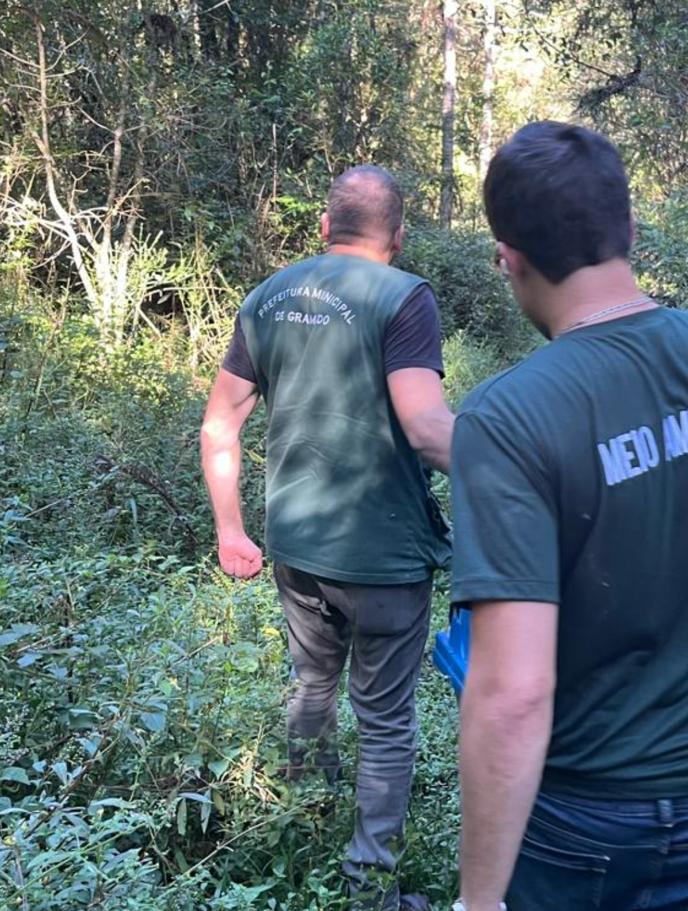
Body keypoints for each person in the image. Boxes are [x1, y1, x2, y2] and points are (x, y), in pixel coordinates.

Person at [450, 121, 688, 911]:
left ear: (508, 259)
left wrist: (478, 901)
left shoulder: (508, 419)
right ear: (630, 227)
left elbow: (513, 692)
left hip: (585, 824)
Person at [200, 165, 454, 911]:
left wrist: (229, 529)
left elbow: (220, 422)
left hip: (295, 546)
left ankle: (303, 823)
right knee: (385, 717)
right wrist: (519, 466)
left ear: (323, 227)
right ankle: (371, 886)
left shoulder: (267, 297)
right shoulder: (404, 298)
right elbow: (426, 425)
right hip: (384, 555)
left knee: (312, 682)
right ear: (399, 236)